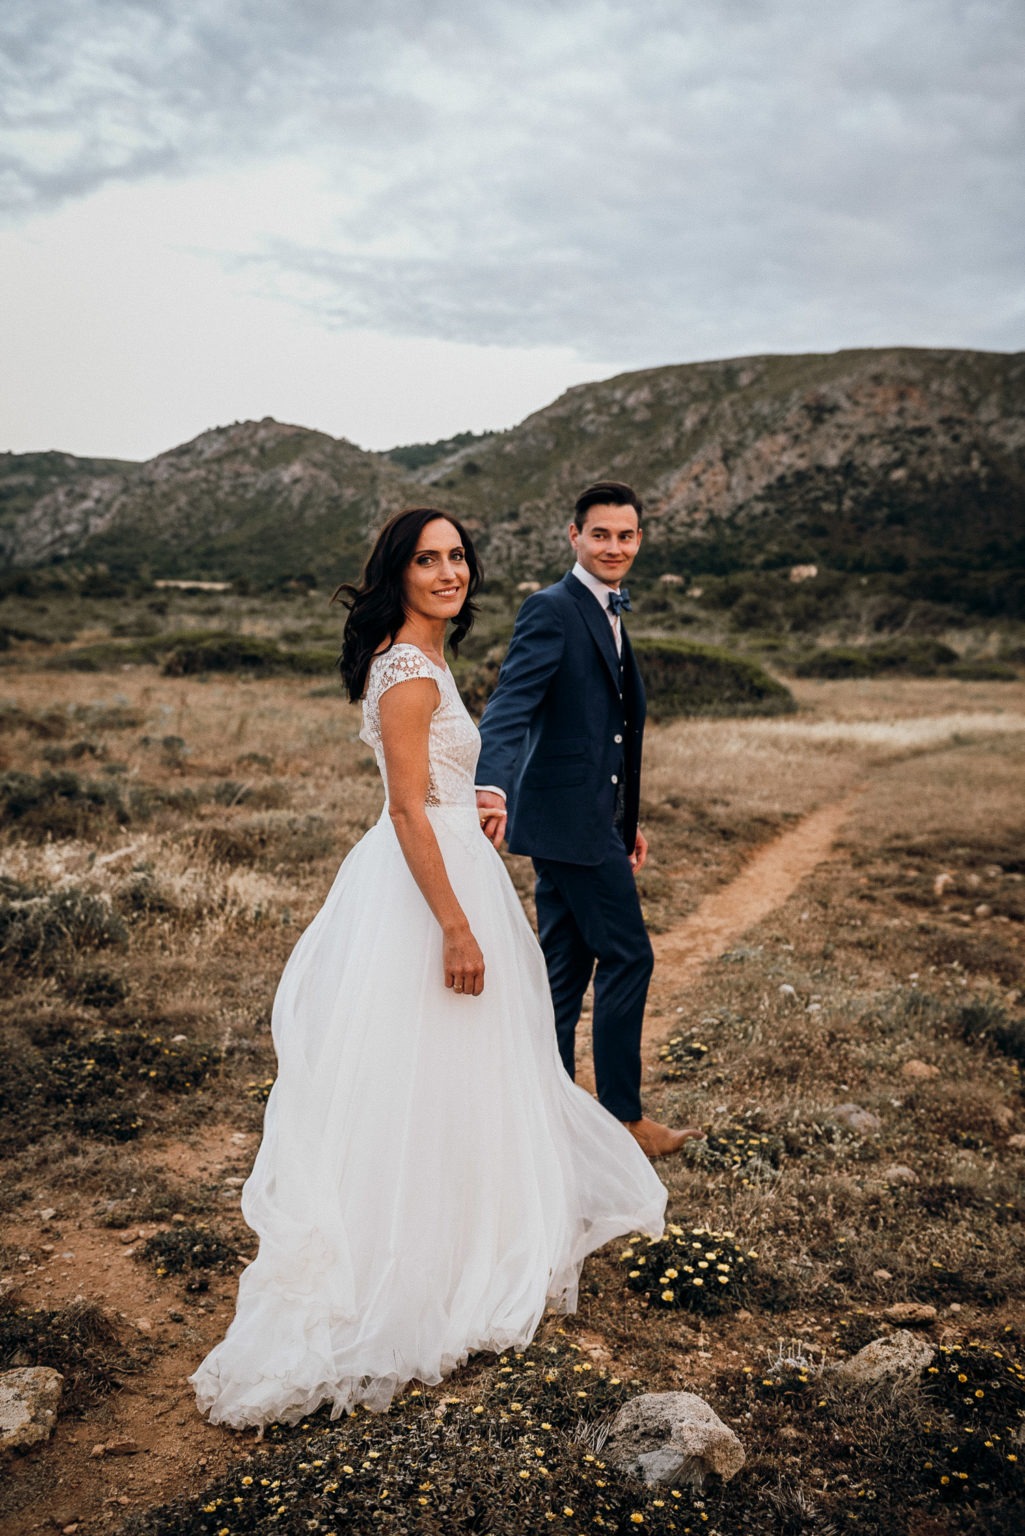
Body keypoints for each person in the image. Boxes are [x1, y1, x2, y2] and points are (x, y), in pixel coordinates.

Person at [189, 507, 666, 1431]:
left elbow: (436, 794)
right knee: (427, 1067)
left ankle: (453, 1234)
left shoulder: (427, 660)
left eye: (456, 558)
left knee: (456, 1071)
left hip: (452, 858)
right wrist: (453, 925)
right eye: (427, 560)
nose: (447, 572)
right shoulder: (406, 671)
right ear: (397, 574)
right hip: (424, 890)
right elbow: (406, 812)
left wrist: (476, 804)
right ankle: (413, 1262)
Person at [476, 482, 701, 1159]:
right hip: (566, 825)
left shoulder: (609, 611)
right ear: (573, 536)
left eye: (625, 536)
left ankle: (541, 1112)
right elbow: (509, 704)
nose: (613, 547)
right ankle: (622, 1121)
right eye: (600, 534)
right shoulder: (551, 608)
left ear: (638, 541)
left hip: (584, 821)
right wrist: (489, 785)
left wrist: (623, 817)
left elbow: (608, 735)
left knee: (563, 975)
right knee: (629, 955)